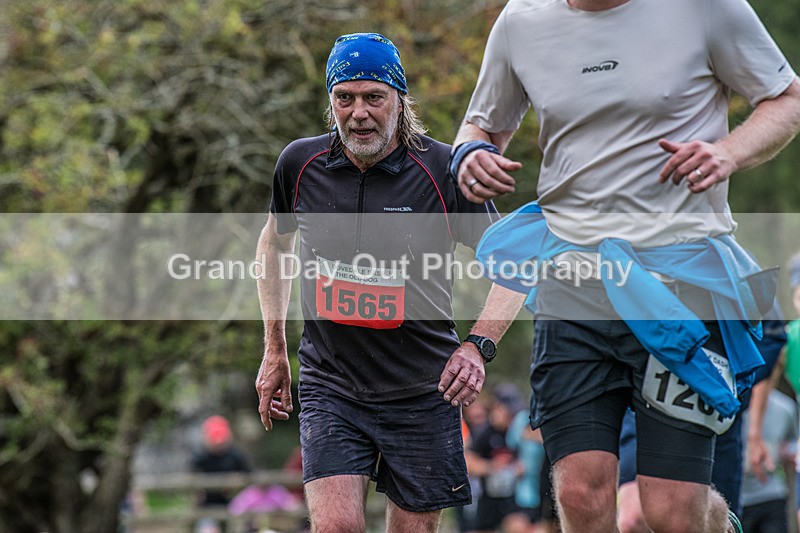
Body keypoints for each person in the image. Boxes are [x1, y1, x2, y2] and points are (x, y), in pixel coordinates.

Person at [451, 1, 800, 532]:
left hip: (679, 291)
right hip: (573, 286)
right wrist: (470, 154)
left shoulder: (704, 8)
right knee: (579, 491)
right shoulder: (522, 21)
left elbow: (786, 99)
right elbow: (481, 125)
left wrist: (728, 153)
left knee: (671, 510)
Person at [254, 33, 525, 533]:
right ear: (331, 102)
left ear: (400, 101)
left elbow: (515, 267)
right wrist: (274, 350)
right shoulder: (300, 164)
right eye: (345, 98)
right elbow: (273, 244)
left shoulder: (444, 170)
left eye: (373, 97)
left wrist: (476, 346)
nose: (358, 112)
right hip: (332, 384)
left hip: (424, 390)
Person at [465, 383, 528, 533]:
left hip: (511, 498)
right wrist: (492, 467)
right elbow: (468, 463)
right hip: (487, 498)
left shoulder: (515, 432)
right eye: (507, 411)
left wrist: (519, 468)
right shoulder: (484, 433)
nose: (510, 416)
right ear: (497, 407)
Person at [741, 384, 798, 533]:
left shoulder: (785, 406)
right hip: (738, 496)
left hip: (772, 493)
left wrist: (787, 452)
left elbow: (793, 443)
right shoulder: (735, 401)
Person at [190, 415, 252, 533]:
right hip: (208, 507)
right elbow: (192, 481)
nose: (218, 445)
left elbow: (249, 477)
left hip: (235, 505)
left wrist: (237, 482)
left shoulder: (236, 456)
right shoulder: (200, 458)